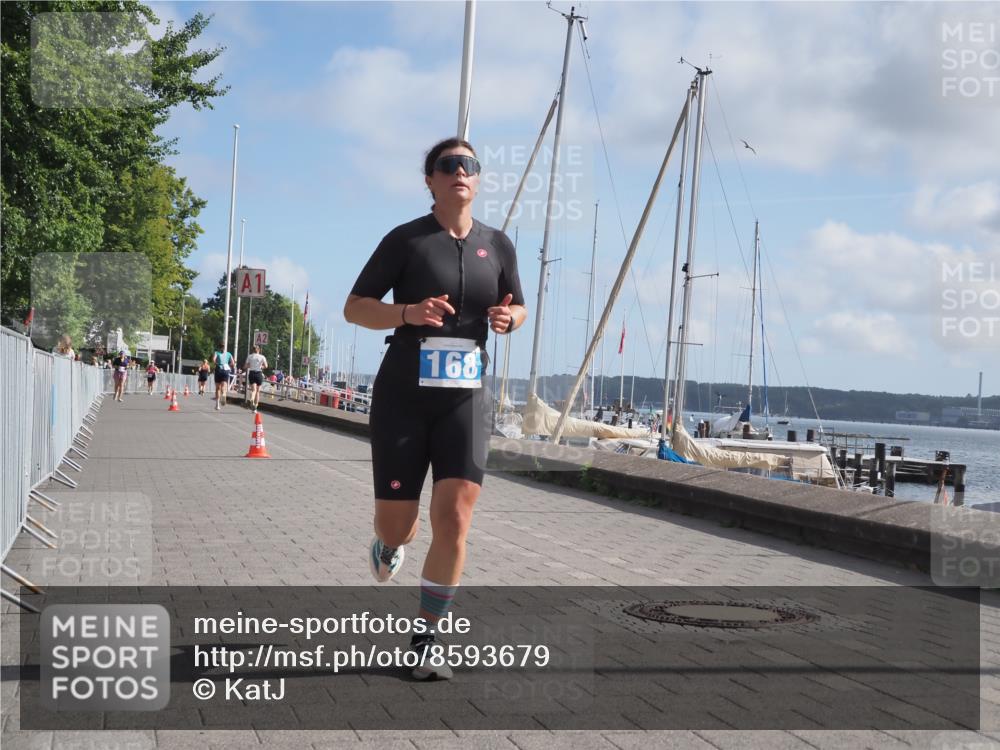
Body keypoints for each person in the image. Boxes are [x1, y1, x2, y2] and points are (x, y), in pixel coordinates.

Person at [344, 137, 526, 680]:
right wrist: (407, 313)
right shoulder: (405, 240)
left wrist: (507, 319)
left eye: (469, 165)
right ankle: (388, 542)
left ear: (478, 178)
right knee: (400, 526)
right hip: (404, 396)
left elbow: (519, 307)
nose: (459, 172)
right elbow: (355, 308)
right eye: (448, 166)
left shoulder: (499, 244)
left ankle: (426, 639)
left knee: (454, 518)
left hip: (466, 399)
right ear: (430, 180)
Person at [244, 345, 268, 411]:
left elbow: (245, 366)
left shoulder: (250, 356)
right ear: (259, 350)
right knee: (258, 391)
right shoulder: (262, 357)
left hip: (252, 373)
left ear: (252, 350)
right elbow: (266, 366)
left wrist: (250, 365)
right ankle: (255, 407)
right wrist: (261, 367)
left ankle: (252, 398)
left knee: (253, 390)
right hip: (258, 373)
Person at [212, 344, 235, 410]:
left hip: (218, 370)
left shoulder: (216, 353)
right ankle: (224, 394)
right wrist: (227, 364)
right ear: (225, 348)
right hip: (226, 370)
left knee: (217, 388)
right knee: (224, 386)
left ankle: (217, 405)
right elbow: (233, 363)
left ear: (219, 348)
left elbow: (214, 360)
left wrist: (217, 363)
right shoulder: (229, 354)